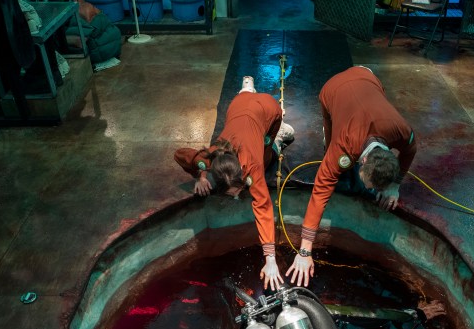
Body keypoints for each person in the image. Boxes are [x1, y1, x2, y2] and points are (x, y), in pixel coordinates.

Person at [287, 66, 417, 287]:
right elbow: (320, 193)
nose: (371, 190)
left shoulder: (401, 131)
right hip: (333, 88)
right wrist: (304, 250)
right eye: (370, 184)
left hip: (369, 78)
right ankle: (328, 136)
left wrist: (395, 185)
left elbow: (411, 150)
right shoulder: (344, 148)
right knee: (329, 146)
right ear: (362, 161)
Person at [174, 76, 294, 291]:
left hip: (269, 108)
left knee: (267, 150)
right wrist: (200, 176)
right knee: (244, 102)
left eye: (239, 190)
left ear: (243, 174)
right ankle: (246, 88)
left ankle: (277, 137)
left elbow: (264, 208)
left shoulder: (252, 165)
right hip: (238, 106)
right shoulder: (211, 157)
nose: (239, 196)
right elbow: (180, 155)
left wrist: (270, 259)